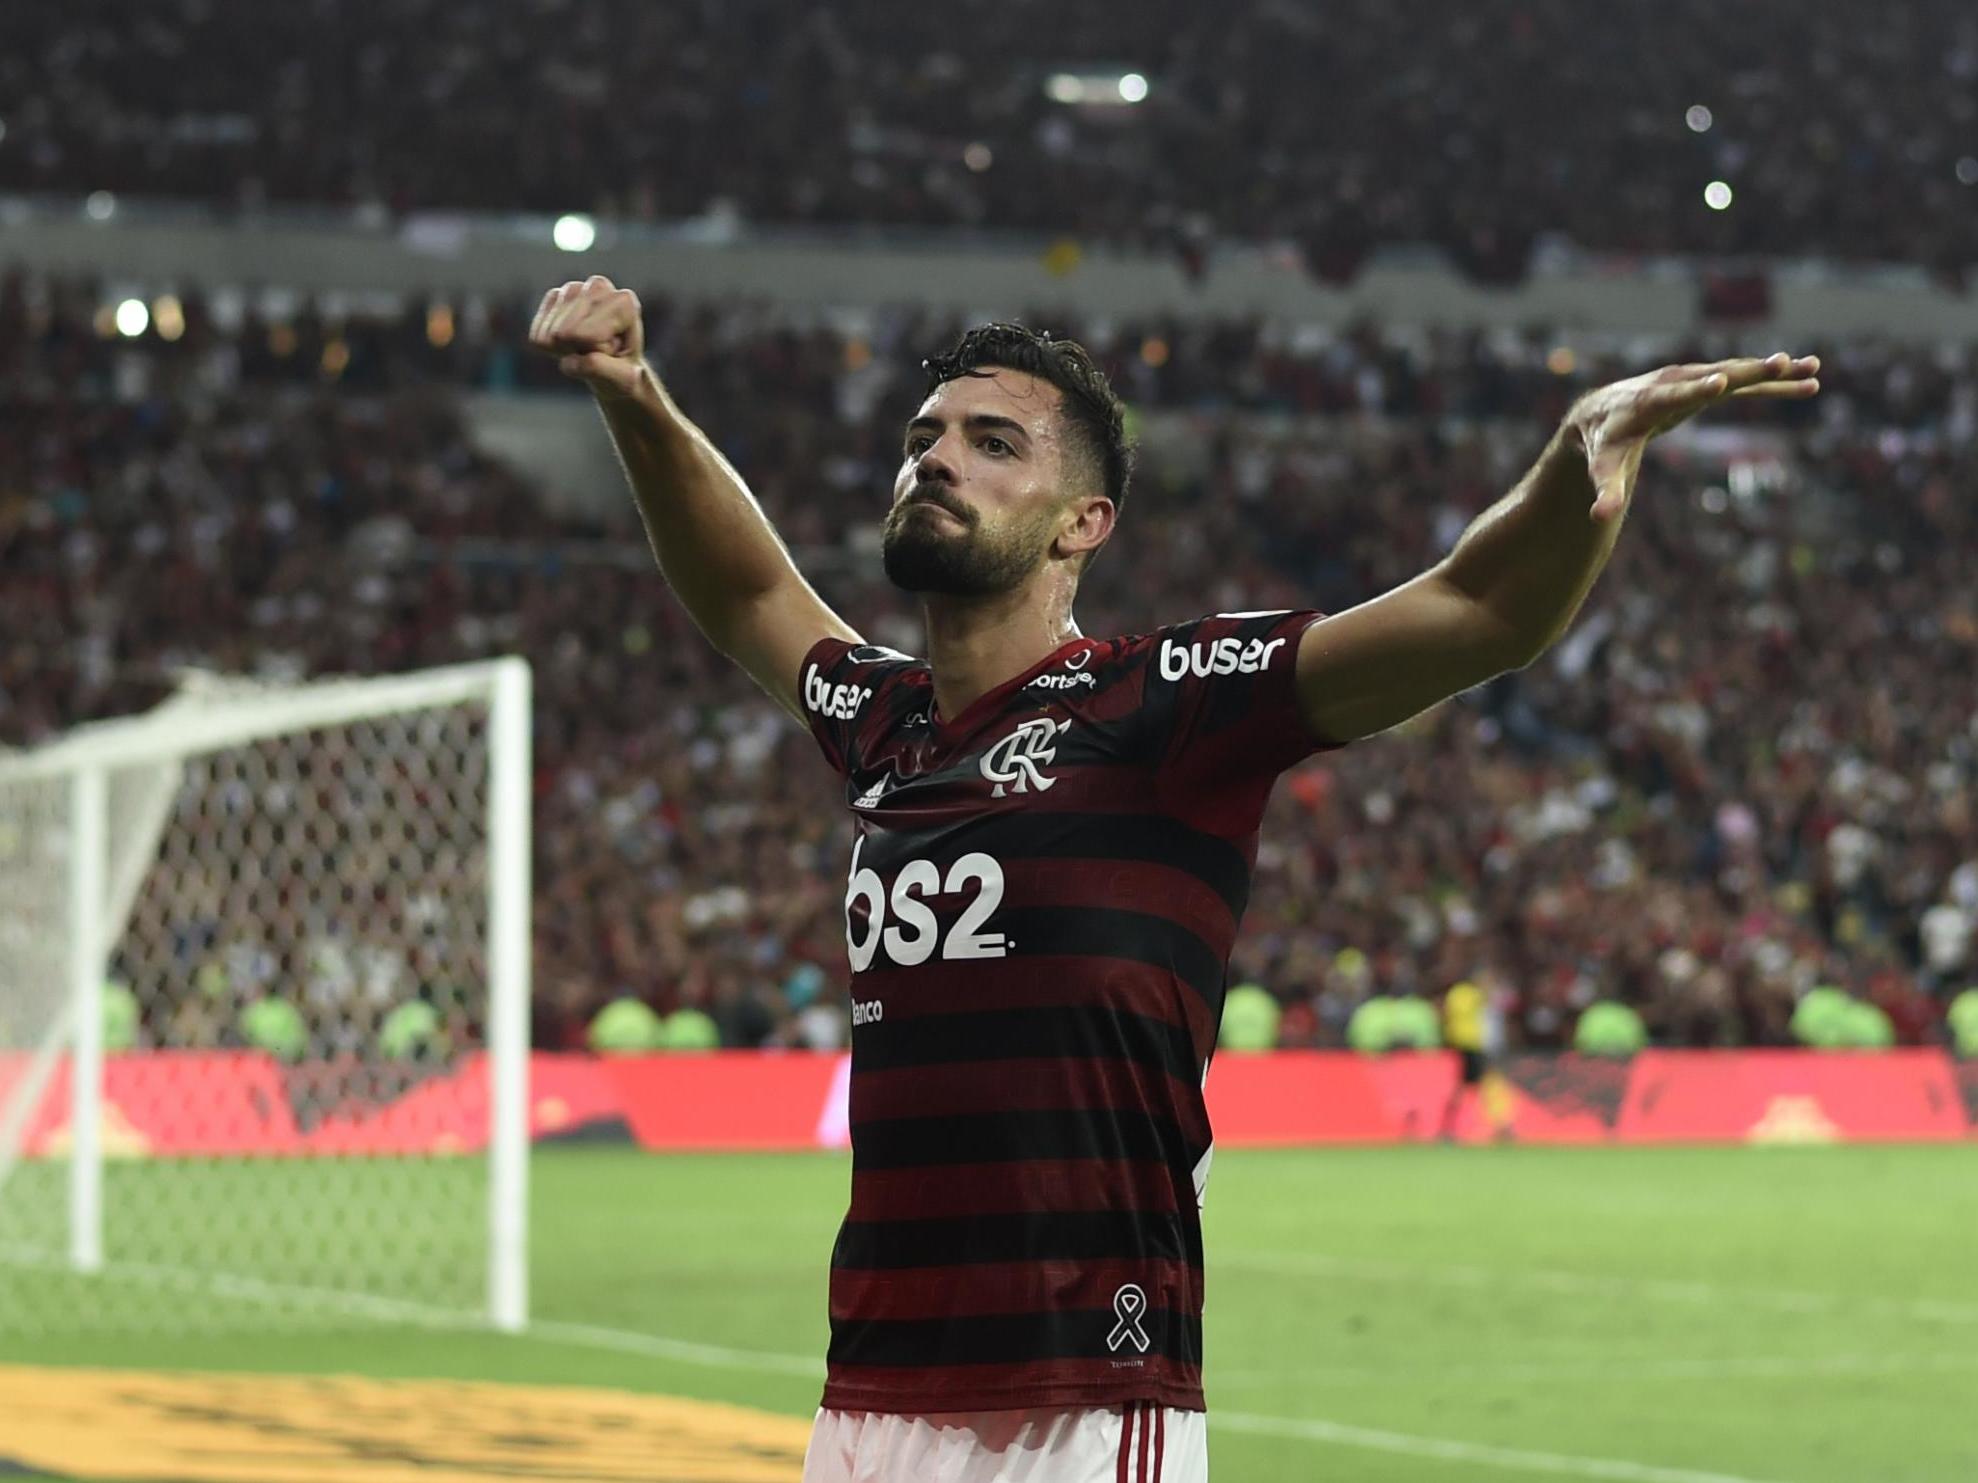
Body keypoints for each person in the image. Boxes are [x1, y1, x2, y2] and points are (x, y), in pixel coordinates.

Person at [530, 276, 1819, 1483]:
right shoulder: (885, 724)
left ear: (1083, 523)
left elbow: (1480, 611)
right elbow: (748, 583)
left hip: (1084, 1399)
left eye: (993, 443)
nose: (934, 456)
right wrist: (634, 398)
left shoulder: (1166, 704)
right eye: (925, 434)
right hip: (867, 1395)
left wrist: (1575, 458)